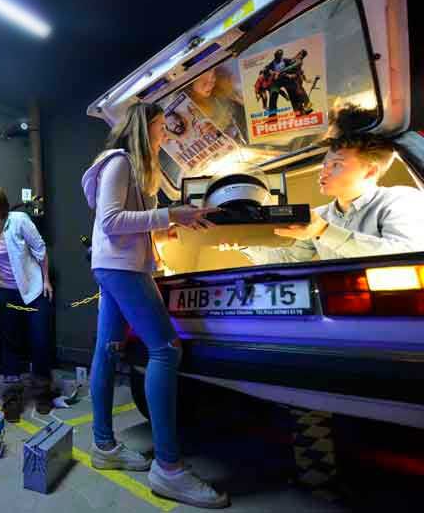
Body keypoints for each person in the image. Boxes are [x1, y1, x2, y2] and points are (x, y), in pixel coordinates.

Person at [81, 101, 229, 508]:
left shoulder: (134, 169)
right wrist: (169, 215)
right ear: (143, 128)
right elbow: (111, 221)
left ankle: (104, 446)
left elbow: (128, 224)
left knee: (106, 352)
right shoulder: (119, 162)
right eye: (161, 126)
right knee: (166, 350)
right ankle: (169, 469)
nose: (165, 134)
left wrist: (167, 225)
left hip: (116, 265)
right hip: (122, 269)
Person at [233, 134, 424, 263]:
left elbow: (405, 255)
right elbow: (287, 260)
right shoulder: (320, 216)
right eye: (324, 165)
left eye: (336, 165)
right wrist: (240, 241)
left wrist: (324, 231)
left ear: (370, 171)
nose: (324, 172)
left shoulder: (401, 199)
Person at [0, 184, 54, 422]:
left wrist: (46, 281)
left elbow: (40, 249)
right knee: (9, 346)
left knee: (40, 341)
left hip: (32, 290)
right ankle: (12, 398)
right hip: (5, 293)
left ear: (0, 203)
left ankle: (43, 394)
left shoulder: (19, 220)